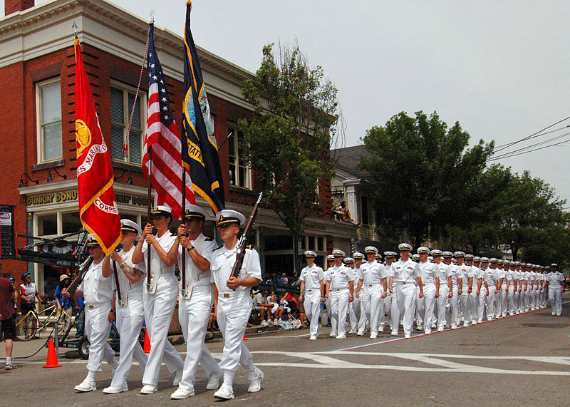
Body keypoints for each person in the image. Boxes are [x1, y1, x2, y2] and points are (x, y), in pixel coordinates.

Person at [210, 209, 264, 401]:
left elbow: (257, 278)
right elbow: (214, 284)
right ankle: (253, 372)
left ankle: (227, 385)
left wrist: (240, 282)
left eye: (225, 227)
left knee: (231, 343)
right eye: (219, 227)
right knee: (234, 343)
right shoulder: (216, 255)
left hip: (240, 301)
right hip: (223, 302)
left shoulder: (248, 253)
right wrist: (215, 307)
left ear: (236, 229)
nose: (221, 230)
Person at [169, 205, 222, 399]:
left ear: (200, 223)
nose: (187, 224)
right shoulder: (182, 241)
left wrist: (189, 246)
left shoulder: (209, 243)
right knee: (192, 340)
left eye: (191, 221)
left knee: (194, 339)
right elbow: (169, 261)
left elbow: (205, 266)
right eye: (186, 221)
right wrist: (178, 241)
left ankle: (187, 383)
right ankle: (215, 371)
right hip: (184, 294)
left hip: (200, 293)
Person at [132, 204, 184, 395]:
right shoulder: (148, 238)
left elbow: (169, 260)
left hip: (166, 284)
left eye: (160, 217)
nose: (156, 221)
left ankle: (150, 379)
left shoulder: (172, 238)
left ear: (167, 219)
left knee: (160, 332)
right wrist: (142, 240)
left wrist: (153, 241)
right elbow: (136, 259)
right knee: (154, 335)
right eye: (154, 218)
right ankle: (180, 367)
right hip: (149, 285)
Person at [102, 219, 148, 394]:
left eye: (123, 234)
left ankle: (119, 382)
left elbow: (135, 277)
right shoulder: (117, 254)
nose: (119, 237)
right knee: (132, 344)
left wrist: (119, 259)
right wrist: (108, 254)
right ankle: (152, 371)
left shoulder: (138, 254)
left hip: (136, 302)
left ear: (133, 236)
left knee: (127, 344)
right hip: (121, 305)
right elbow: (106, 274)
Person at [72, 236, 117, 392]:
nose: (90, 250)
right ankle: (117, 367)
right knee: (97, 341)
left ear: (102, 248)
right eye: (89, 248)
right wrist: (72, 292)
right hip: (89, 309)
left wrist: (113, 310)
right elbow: (82, 289)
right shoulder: (89, 265)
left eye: (94, 247)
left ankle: (90, 379)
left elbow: (113, 290)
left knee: (97, 342)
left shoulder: (108, 264)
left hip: (102, 307)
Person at [390, 243, 423, 338]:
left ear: (409, 252)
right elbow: (391, 277)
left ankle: (407, 330)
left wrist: (420, 290)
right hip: (399, 286)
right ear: (400, 253)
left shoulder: (414, 264)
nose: (404, 253)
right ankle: (407, 323)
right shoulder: (395, 264)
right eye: (402, 251)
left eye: (406, 251)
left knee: (409, 307)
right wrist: (390, 288)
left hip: (410, 286)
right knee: (402, 308)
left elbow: (418, 278)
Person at [357, 247, 388, 338]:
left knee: (374, 310)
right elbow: (360, 280)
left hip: (376, 287)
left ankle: (374, 330)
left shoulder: (379, 266)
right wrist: (357, 290)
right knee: (367, 310)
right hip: (366, 288)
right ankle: (373, 325)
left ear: (375, 255)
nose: (370, 256)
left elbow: (384, 279)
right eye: (368, 254)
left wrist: (385, 291)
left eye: (371, 254)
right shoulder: (363, 266)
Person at [326, 249, 355, 339]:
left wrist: (351, 294)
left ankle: (341, 333)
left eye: (338, 257)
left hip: (344, 291)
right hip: (333, 292)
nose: (337, 259)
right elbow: (327, 282)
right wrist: (327, 293)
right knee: (333, 312)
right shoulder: (330, 269)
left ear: (342, 258)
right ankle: (343, 323)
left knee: (342, 312)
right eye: (335, 257)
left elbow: (351, 282)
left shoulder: (346, 269)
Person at [298, 250, 325, 340]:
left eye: (310, 258)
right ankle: (316, 327)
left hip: (316, 291)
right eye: (307, 258)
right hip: (307, 292)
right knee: (308, 313)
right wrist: (301, 294)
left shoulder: (318, 269)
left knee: (314, 312)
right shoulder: (304, 270)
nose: (308, 259)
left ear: (313, 258)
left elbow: (321, 283)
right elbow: (302, 283)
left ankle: (313, 333)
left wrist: (322, 295)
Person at [416, 247, 438, 335]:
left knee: (429, 307)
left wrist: (437, 290)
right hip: (419, 287)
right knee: (419, 307)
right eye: (421, 254)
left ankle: (427, 326)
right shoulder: (416, 265)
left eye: (424, 254)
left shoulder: (433, 265)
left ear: (427, 255)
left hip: (430, 286)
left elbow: (436, 279)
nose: (422, 255)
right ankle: (423, 321)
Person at [0, 275, 17, 370]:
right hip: (7, 313)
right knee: (8, 337)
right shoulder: (6, 282)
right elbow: (14, 294)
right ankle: (8, 362)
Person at [432, 250, 450, 332]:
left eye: (437, 256)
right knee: (432, 305)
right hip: (432, 286)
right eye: (434, 257)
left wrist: (449, 290)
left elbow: (449, 278)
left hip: (443, 286)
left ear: (440, 257)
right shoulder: (431, 266)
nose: (435, 258)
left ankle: (441, 323)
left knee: (441, 305)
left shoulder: (445, 267)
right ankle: (433, 321)